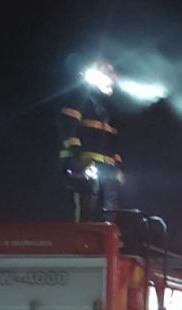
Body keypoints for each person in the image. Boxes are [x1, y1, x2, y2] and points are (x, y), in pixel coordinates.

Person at [58, 58, 122, 222]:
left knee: (109, 209)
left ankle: (107, 236)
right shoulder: (79, 96)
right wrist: (78, 158)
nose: (113, 78)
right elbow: (68, 126)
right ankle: (81, 238)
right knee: (86, 208)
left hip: (106, 168)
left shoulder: (108, 107)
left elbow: (113, 139)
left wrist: (117, 166)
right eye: (108, 73)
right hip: (82, 164)